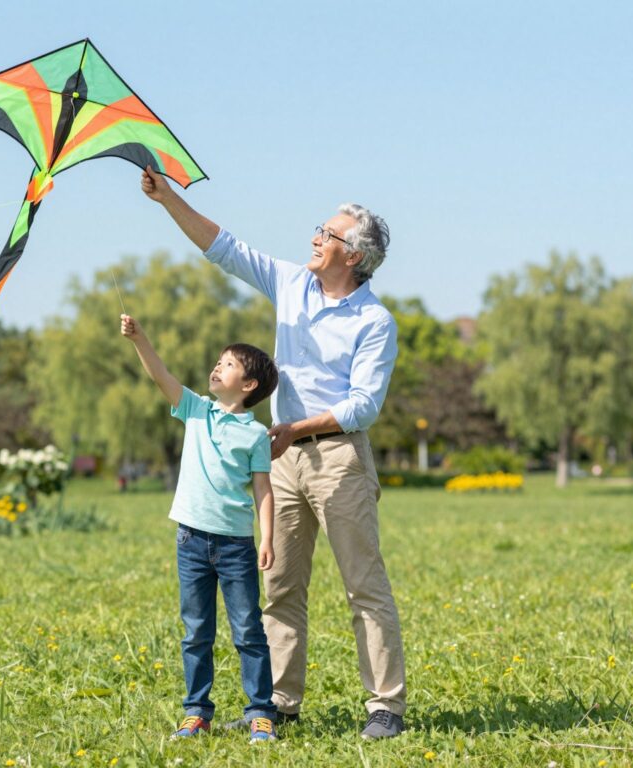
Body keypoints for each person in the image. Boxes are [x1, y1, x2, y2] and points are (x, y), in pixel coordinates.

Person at [141, 167, 406, 740]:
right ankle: (278, 703)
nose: (314, 238)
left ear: (353, 257)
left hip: (337, 458)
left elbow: (363, 406)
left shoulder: (374, 322)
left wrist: (296, 426)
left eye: (327, 234)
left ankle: (385, 705)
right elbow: (224, 248)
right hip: (281, 457)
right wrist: (169, 201)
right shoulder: (291, 283)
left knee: (363, 584)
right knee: (280, 583)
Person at [119, 312, 281, 743]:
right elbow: (161, 375)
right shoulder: (195, 409)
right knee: (196, 631)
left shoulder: (256, 434)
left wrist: (267, 538)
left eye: (227, 364)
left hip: (235, 546)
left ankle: (260, 712)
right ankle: (197, 711)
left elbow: (263, 491)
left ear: (248, 385)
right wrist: (140, 339)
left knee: (247, 628)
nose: (217, 367)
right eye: (218, 361)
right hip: (190, 539)